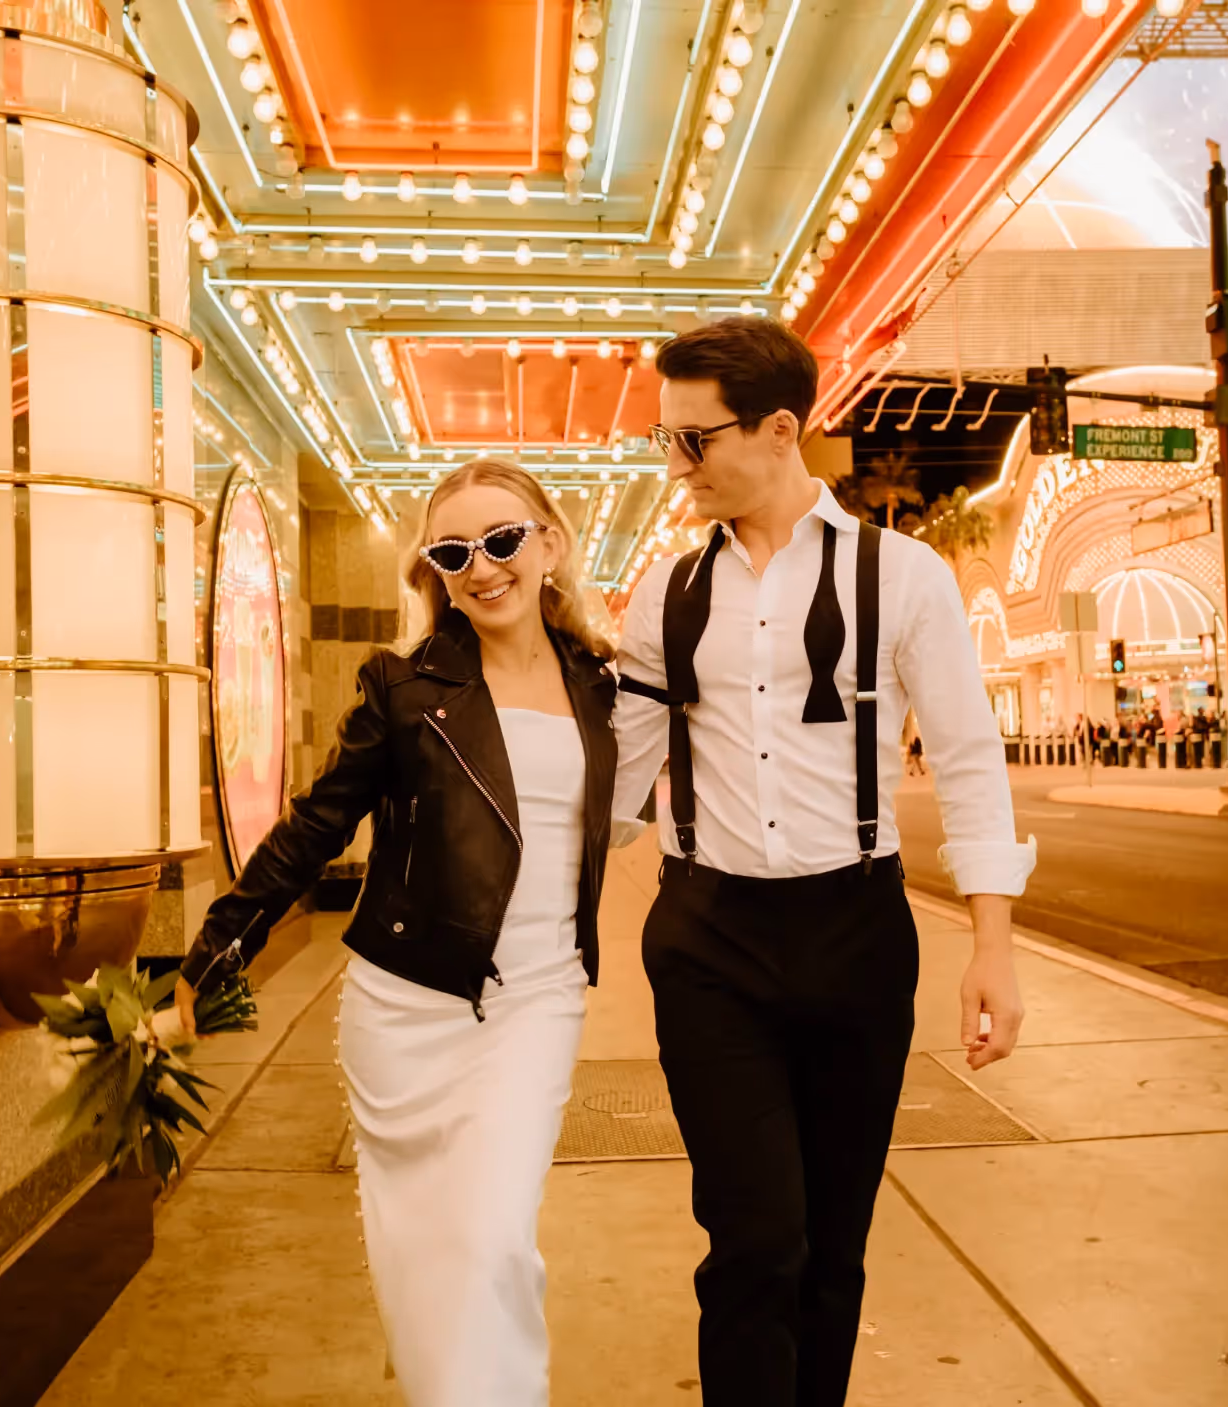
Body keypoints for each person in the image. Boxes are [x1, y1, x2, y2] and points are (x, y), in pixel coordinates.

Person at [614, 318, 1035, 1407]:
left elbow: (968, 757)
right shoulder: (666, 593)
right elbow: (609, 796)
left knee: (832, 1246)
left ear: (779, 430)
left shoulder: (904, 577)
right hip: (707, 942)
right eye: (667, 439)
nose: (677, 463)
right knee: (755, 1237)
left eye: (695, 439)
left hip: (857, 936)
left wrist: (992, 946)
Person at [175, 458, 618, 1406]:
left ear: (549, 544)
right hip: (406, 1006)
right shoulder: (406, 687)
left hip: (538, 999)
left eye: (503, 540)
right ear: (436, 574)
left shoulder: (600, 682)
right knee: (425, 1250)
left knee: (491, 1234)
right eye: (454, 553)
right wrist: (220, 941)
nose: (482, 566)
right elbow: (316, 822)